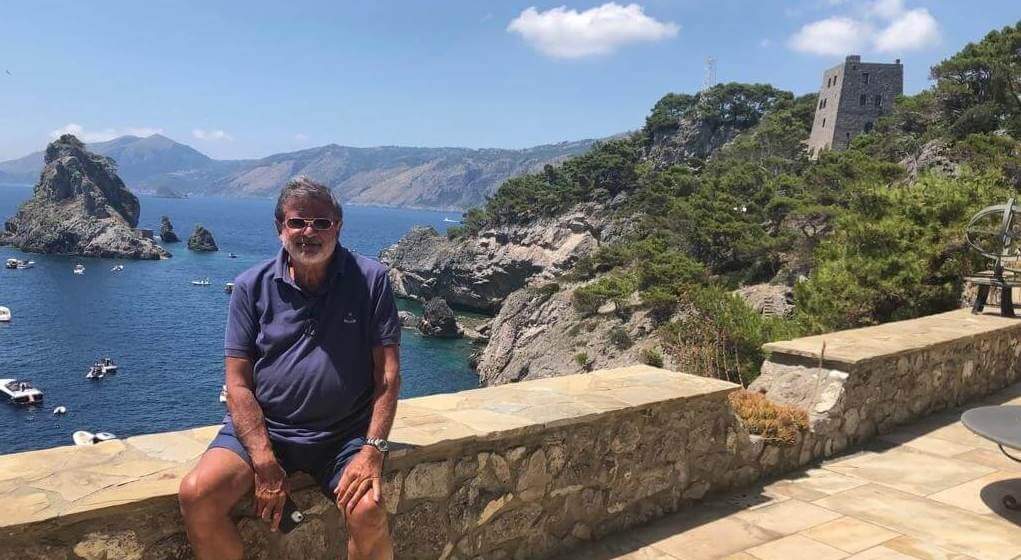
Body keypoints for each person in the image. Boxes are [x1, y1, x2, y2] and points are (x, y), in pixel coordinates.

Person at [179, 177, 401, 560]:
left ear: (338, 227)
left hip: (341, 436)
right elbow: (237, 383)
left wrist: (372, 450)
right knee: (197, 493)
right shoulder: (251, 286)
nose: (308, 232)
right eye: (297, 222)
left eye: (321, 222)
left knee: (368, 511)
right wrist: (263, 457)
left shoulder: (371, 280)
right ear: (280, 227)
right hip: (268, 428)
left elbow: (387, 374)